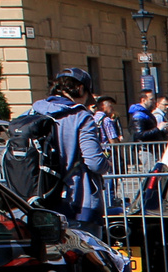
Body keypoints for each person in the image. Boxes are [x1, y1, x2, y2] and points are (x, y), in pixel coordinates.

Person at [27, 68, 109, 238]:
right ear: (80, 89)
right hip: (77, 202)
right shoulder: (81, 116)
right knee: (89, 257)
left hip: (39, 201)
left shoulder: (33, 113)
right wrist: (106, 163)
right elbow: (94, 162)